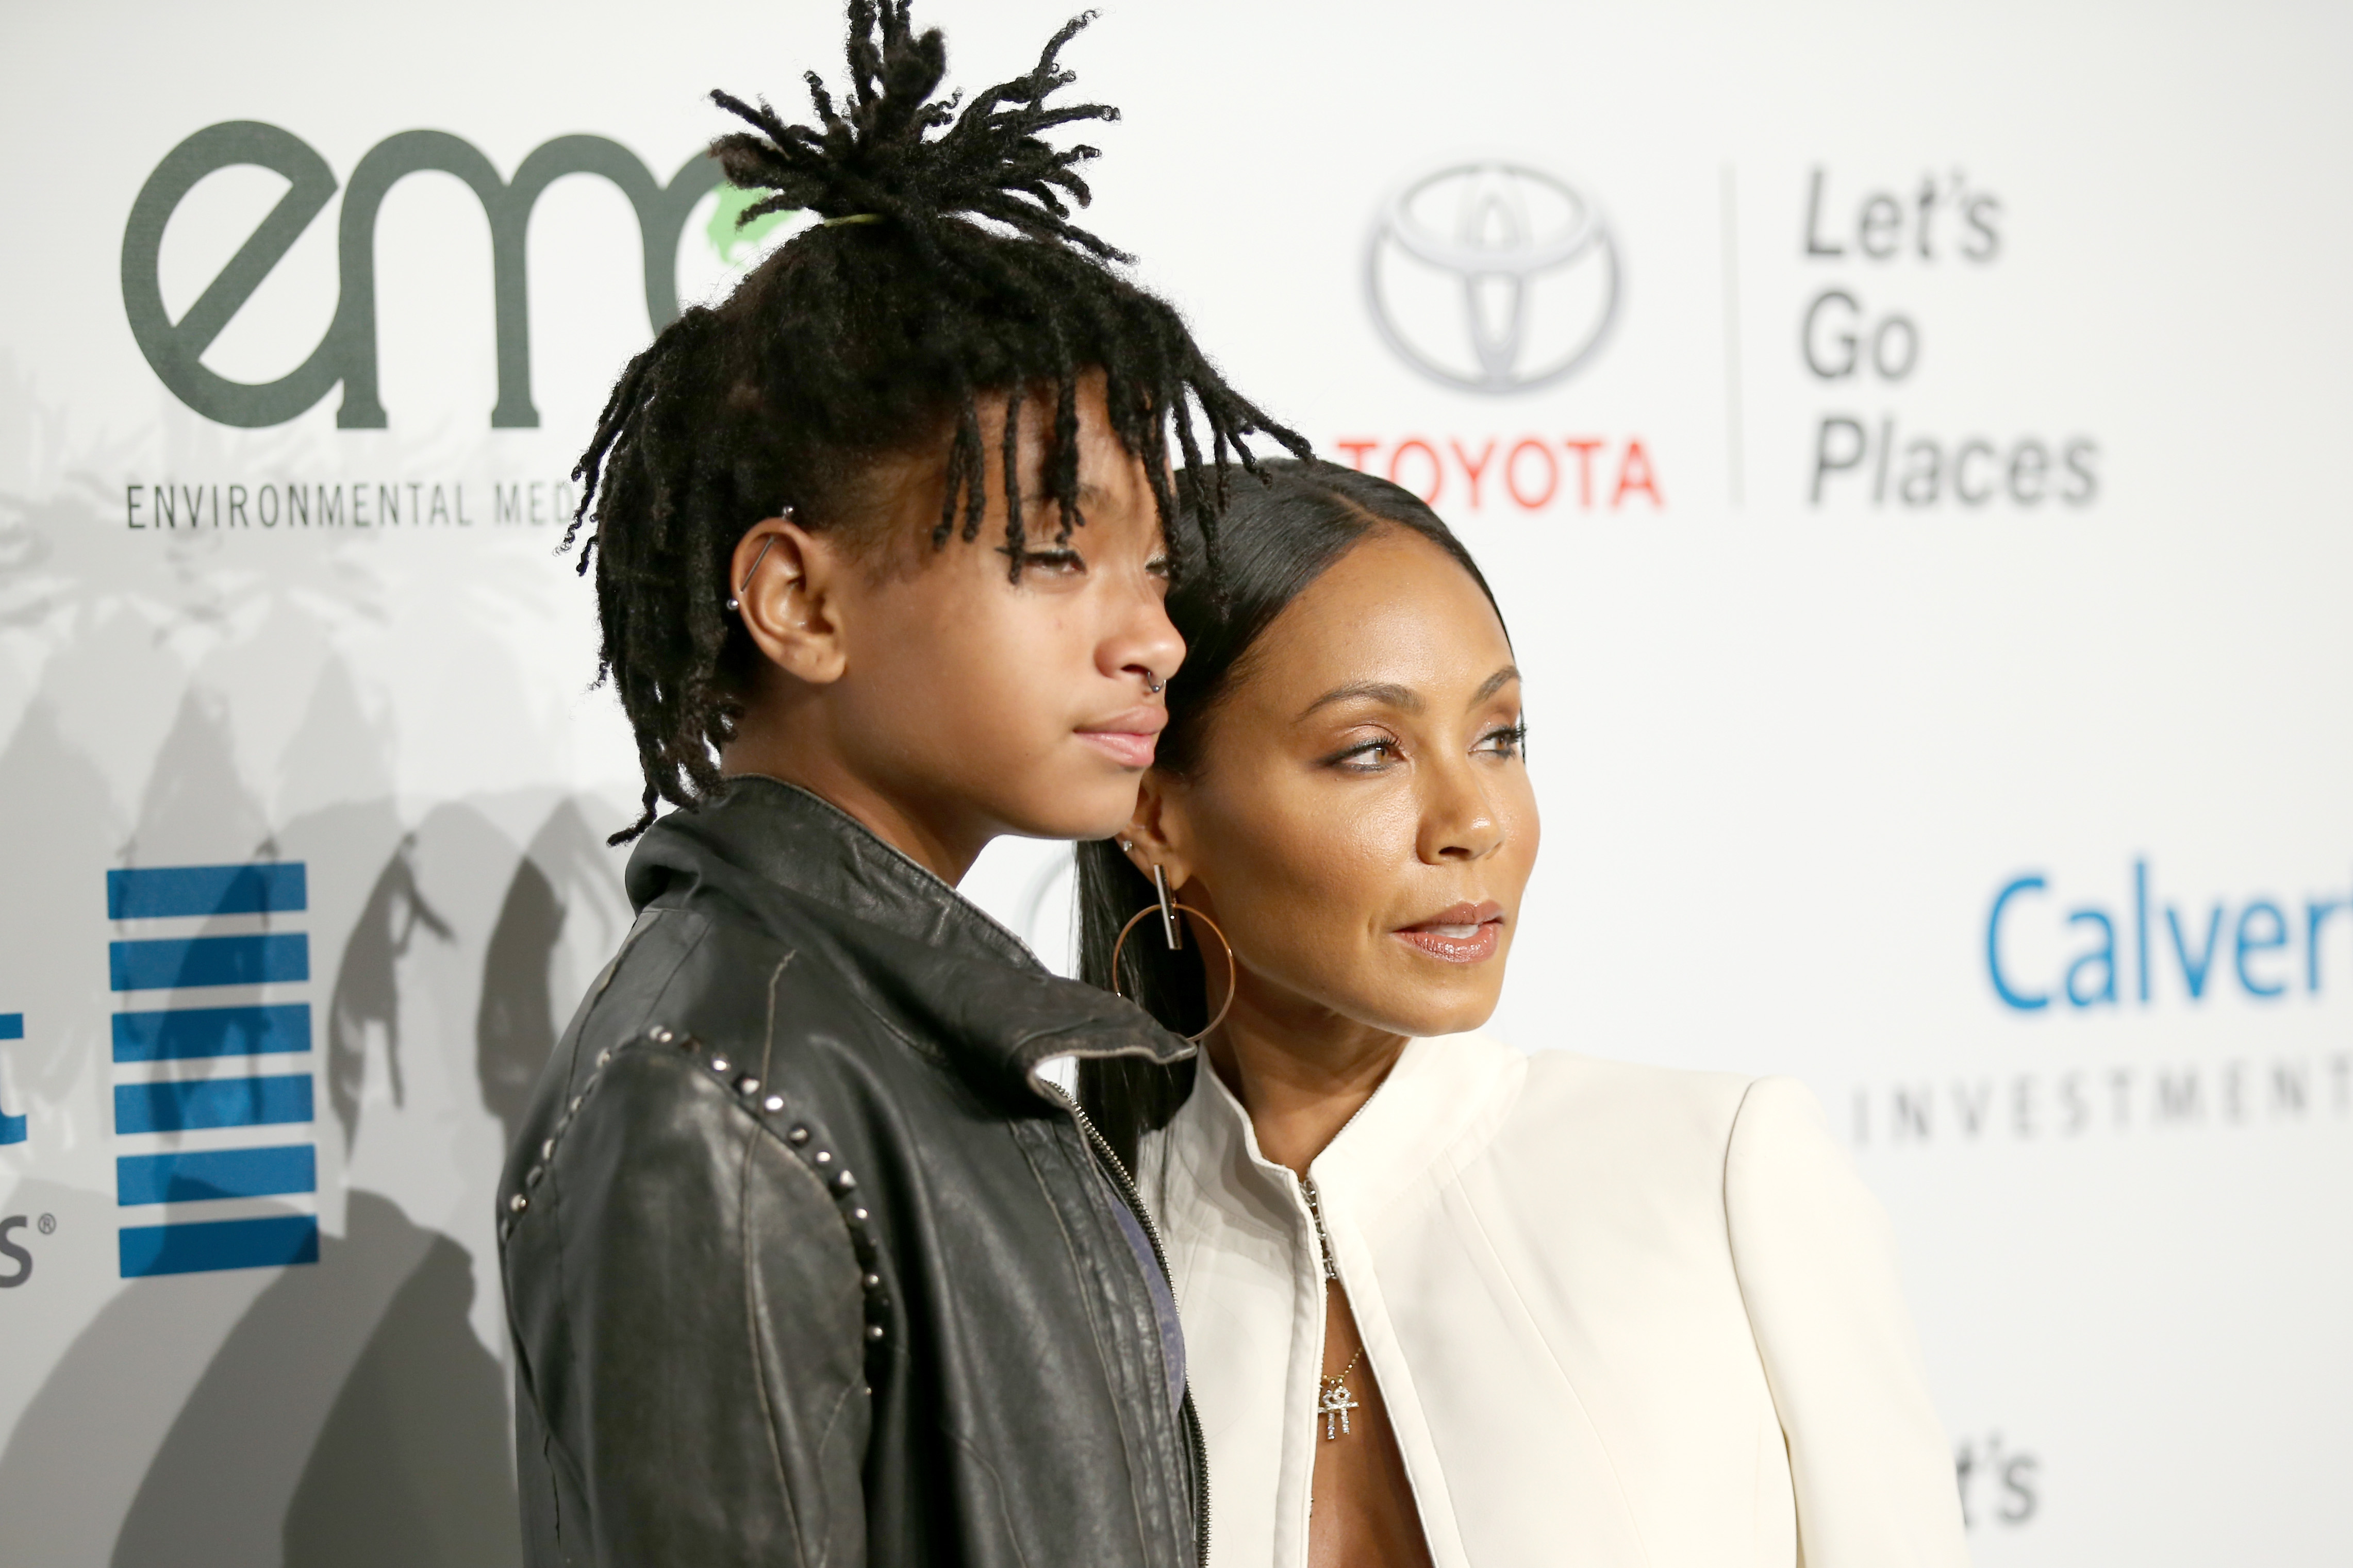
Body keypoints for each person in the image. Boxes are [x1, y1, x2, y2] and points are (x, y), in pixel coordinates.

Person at [496, 6, 1305, 1565]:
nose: (1150, 638)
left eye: (1152, 569)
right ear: (798, 602)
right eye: (1054, 555)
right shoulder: (715, 1102)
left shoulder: (894, 1038)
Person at [1077, 461, 1969, 1568]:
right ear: (1155, 815)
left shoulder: (1719, 1173)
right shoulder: (1076, 1270)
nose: (1474, 821)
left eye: (1499, 737)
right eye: (1369, 750)